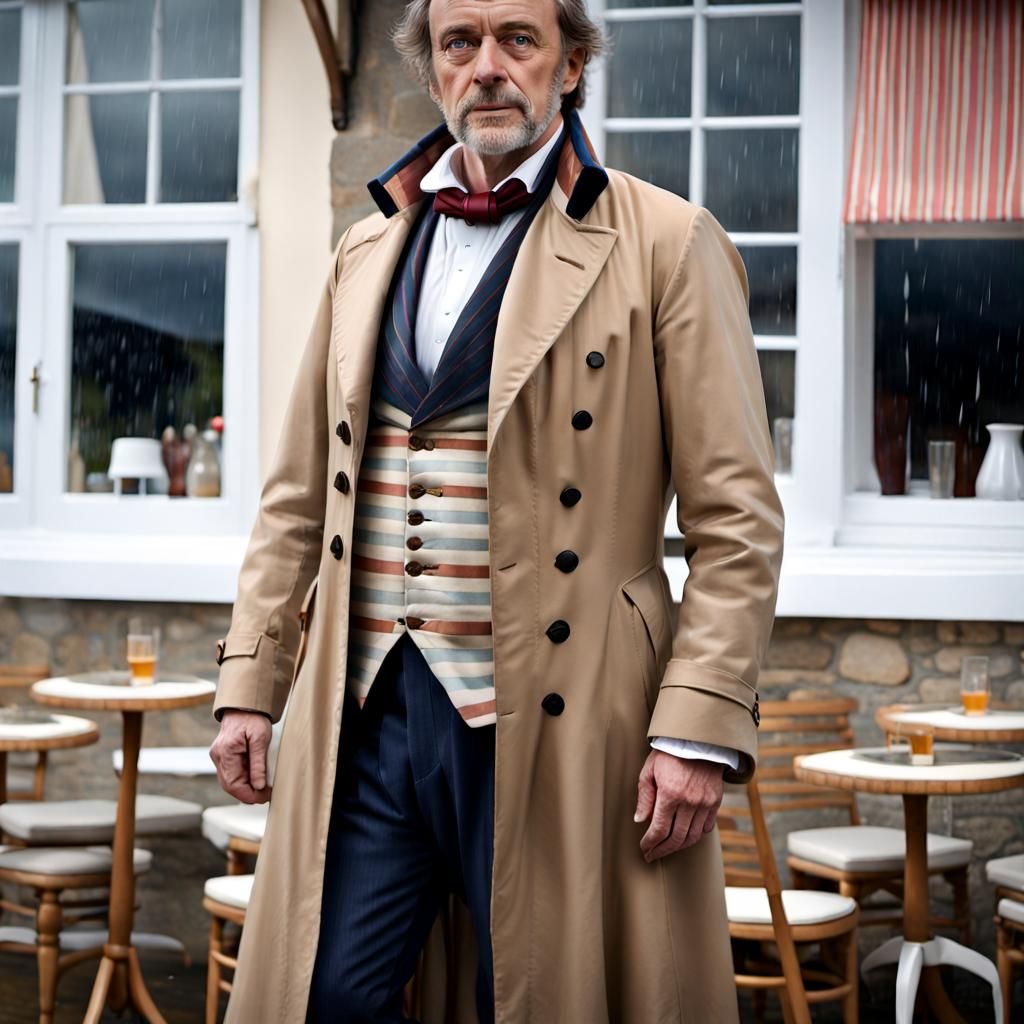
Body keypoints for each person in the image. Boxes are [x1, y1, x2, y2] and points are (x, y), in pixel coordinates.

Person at [208, 1, 784, 1021]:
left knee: (537, 999)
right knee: (326, 992)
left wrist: (696, 727)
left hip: (566, 715)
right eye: (459, 43)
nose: (487, 67)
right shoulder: (365, 249)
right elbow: (297, 496)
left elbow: (736, 523)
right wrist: (251, 679)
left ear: (571, 65)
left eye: (518, 39)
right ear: (431, 70)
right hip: (372, 708)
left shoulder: (666, 241)